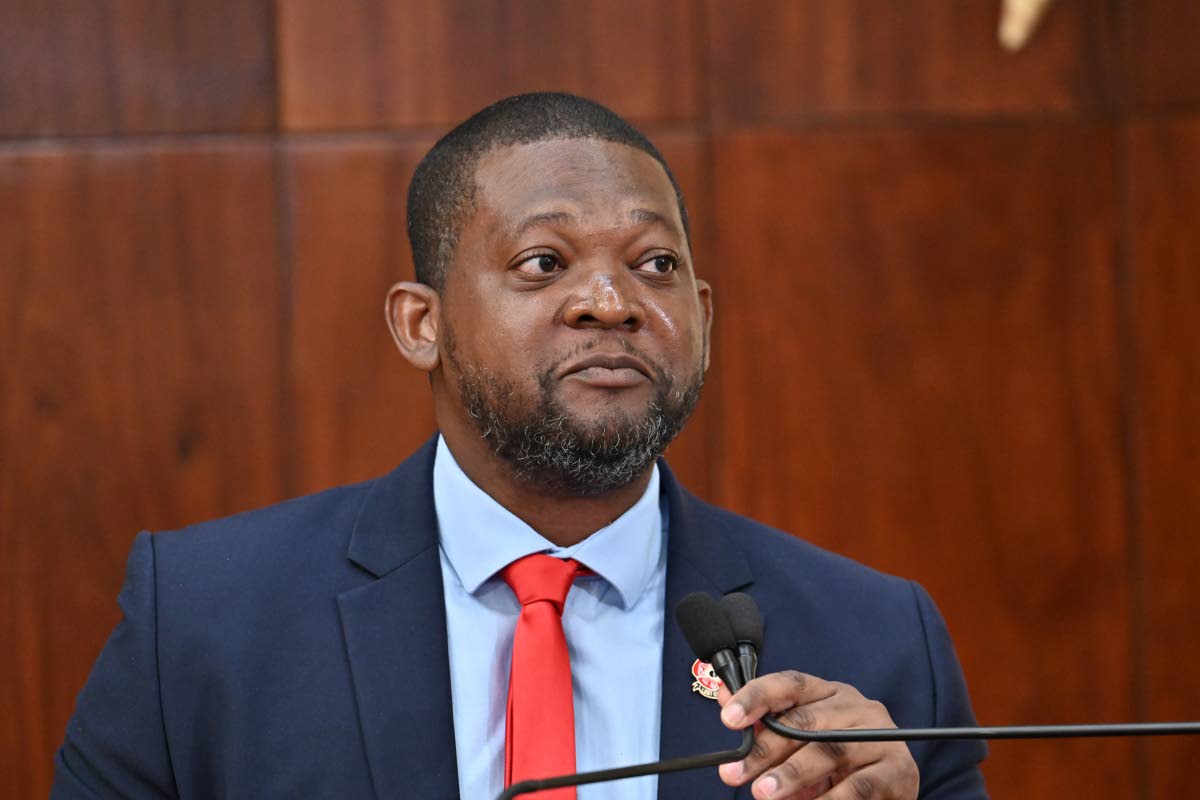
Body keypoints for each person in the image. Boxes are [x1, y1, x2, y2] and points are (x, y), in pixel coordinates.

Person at [53, 93, 987, 800]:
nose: (611, 303)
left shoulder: (878, 642)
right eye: (544, 263)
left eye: (654, 264)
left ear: (700, 316)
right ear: (421, 325)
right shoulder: (204, 625)